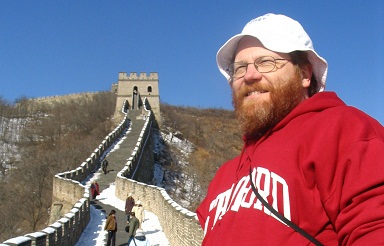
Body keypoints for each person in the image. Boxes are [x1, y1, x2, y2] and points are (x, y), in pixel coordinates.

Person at [196, 13, 384, 246]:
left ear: (305, 75)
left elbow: (375, 228)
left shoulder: (343, 130)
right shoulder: (223, 176)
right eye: (240, 68)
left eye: (266, 62)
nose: (250, 75)